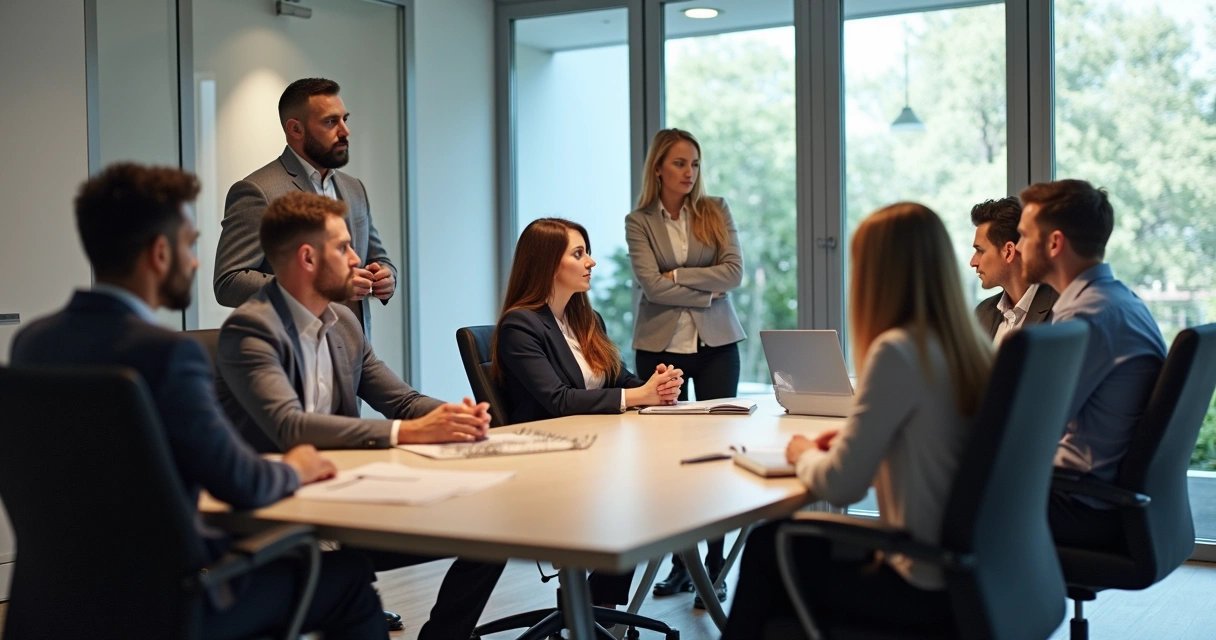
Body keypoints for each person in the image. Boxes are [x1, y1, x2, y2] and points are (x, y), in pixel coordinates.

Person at [9, 163, 387, 640]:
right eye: (190, 245)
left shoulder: (32, 344)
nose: (194, 262)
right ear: (160, 253)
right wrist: (297, 467)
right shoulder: (167, 355)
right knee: (349, 578)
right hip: (170, 603)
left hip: (52, 599)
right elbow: (240, 482)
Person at [215, 191, 504, 639]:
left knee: (491, 530)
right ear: (308, 258)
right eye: (344, 247)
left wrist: (453, 416)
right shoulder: (251, 328)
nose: (357, 259)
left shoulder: (344, 322)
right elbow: (291, 426)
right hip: (283, 517)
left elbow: (402, 401)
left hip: (346, 504)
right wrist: (410, 431)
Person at [723, 202, 994, 638]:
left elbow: (842, 486)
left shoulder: (899, 351)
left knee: (767, 544)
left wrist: (804, 452)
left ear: (877, 274)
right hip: (977, 580)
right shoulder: (970, 349)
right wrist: (860, 438)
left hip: (920, 584)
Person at [492, 216, 685, 608]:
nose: (591, 262)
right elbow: (559, 400)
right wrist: (639, 396)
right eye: (578, 253)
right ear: (548, 263)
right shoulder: (520, 325)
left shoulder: (586, 319)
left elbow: (621, 380)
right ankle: (596, 609)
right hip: (551, 461)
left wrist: (657, 387)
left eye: (587, 252)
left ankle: (596, 609)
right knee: (644, 493)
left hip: (595, 451)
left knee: (666, 485)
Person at [625, 128, 745, 607]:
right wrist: (705, 290)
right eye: (679, 163)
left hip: (717, 346)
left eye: (694, 163)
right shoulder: (638, 222)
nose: (689, 172)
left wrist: (678, 275)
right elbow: (651, 287)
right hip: (660, 349)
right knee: (669, 464)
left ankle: (714, 569)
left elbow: (733, 272)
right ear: (658, 168)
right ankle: (680, 564)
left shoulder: (716, 209)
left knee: (714, 459)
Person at [1016, 179, 1167, 551]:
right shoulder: (1119, 300)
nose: (1017, 248)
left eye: (1024, 236)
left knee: (942, 494)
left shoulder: (1087, 318)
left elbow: (1030, 429)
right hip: (1099, 494)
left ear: (1054, 243)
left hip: (1080, 503)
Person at [214, 77, 395, 338]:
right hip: (289, 352)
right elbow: (228, 283)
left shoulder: (355, 189)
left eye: (344, 119)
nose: (345, 131)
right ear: (295, 129)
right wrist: (319, 287)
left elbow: (377, 258)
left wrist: (386, 277)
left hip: (355, 351)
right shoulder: (257, 191)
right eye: (330, 122)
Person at [968, 196, 1058, 343]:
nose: (973, 262)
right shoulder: (982, 313)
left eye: (980, 251)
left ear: (1008, 252)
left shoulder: (1062, 309)